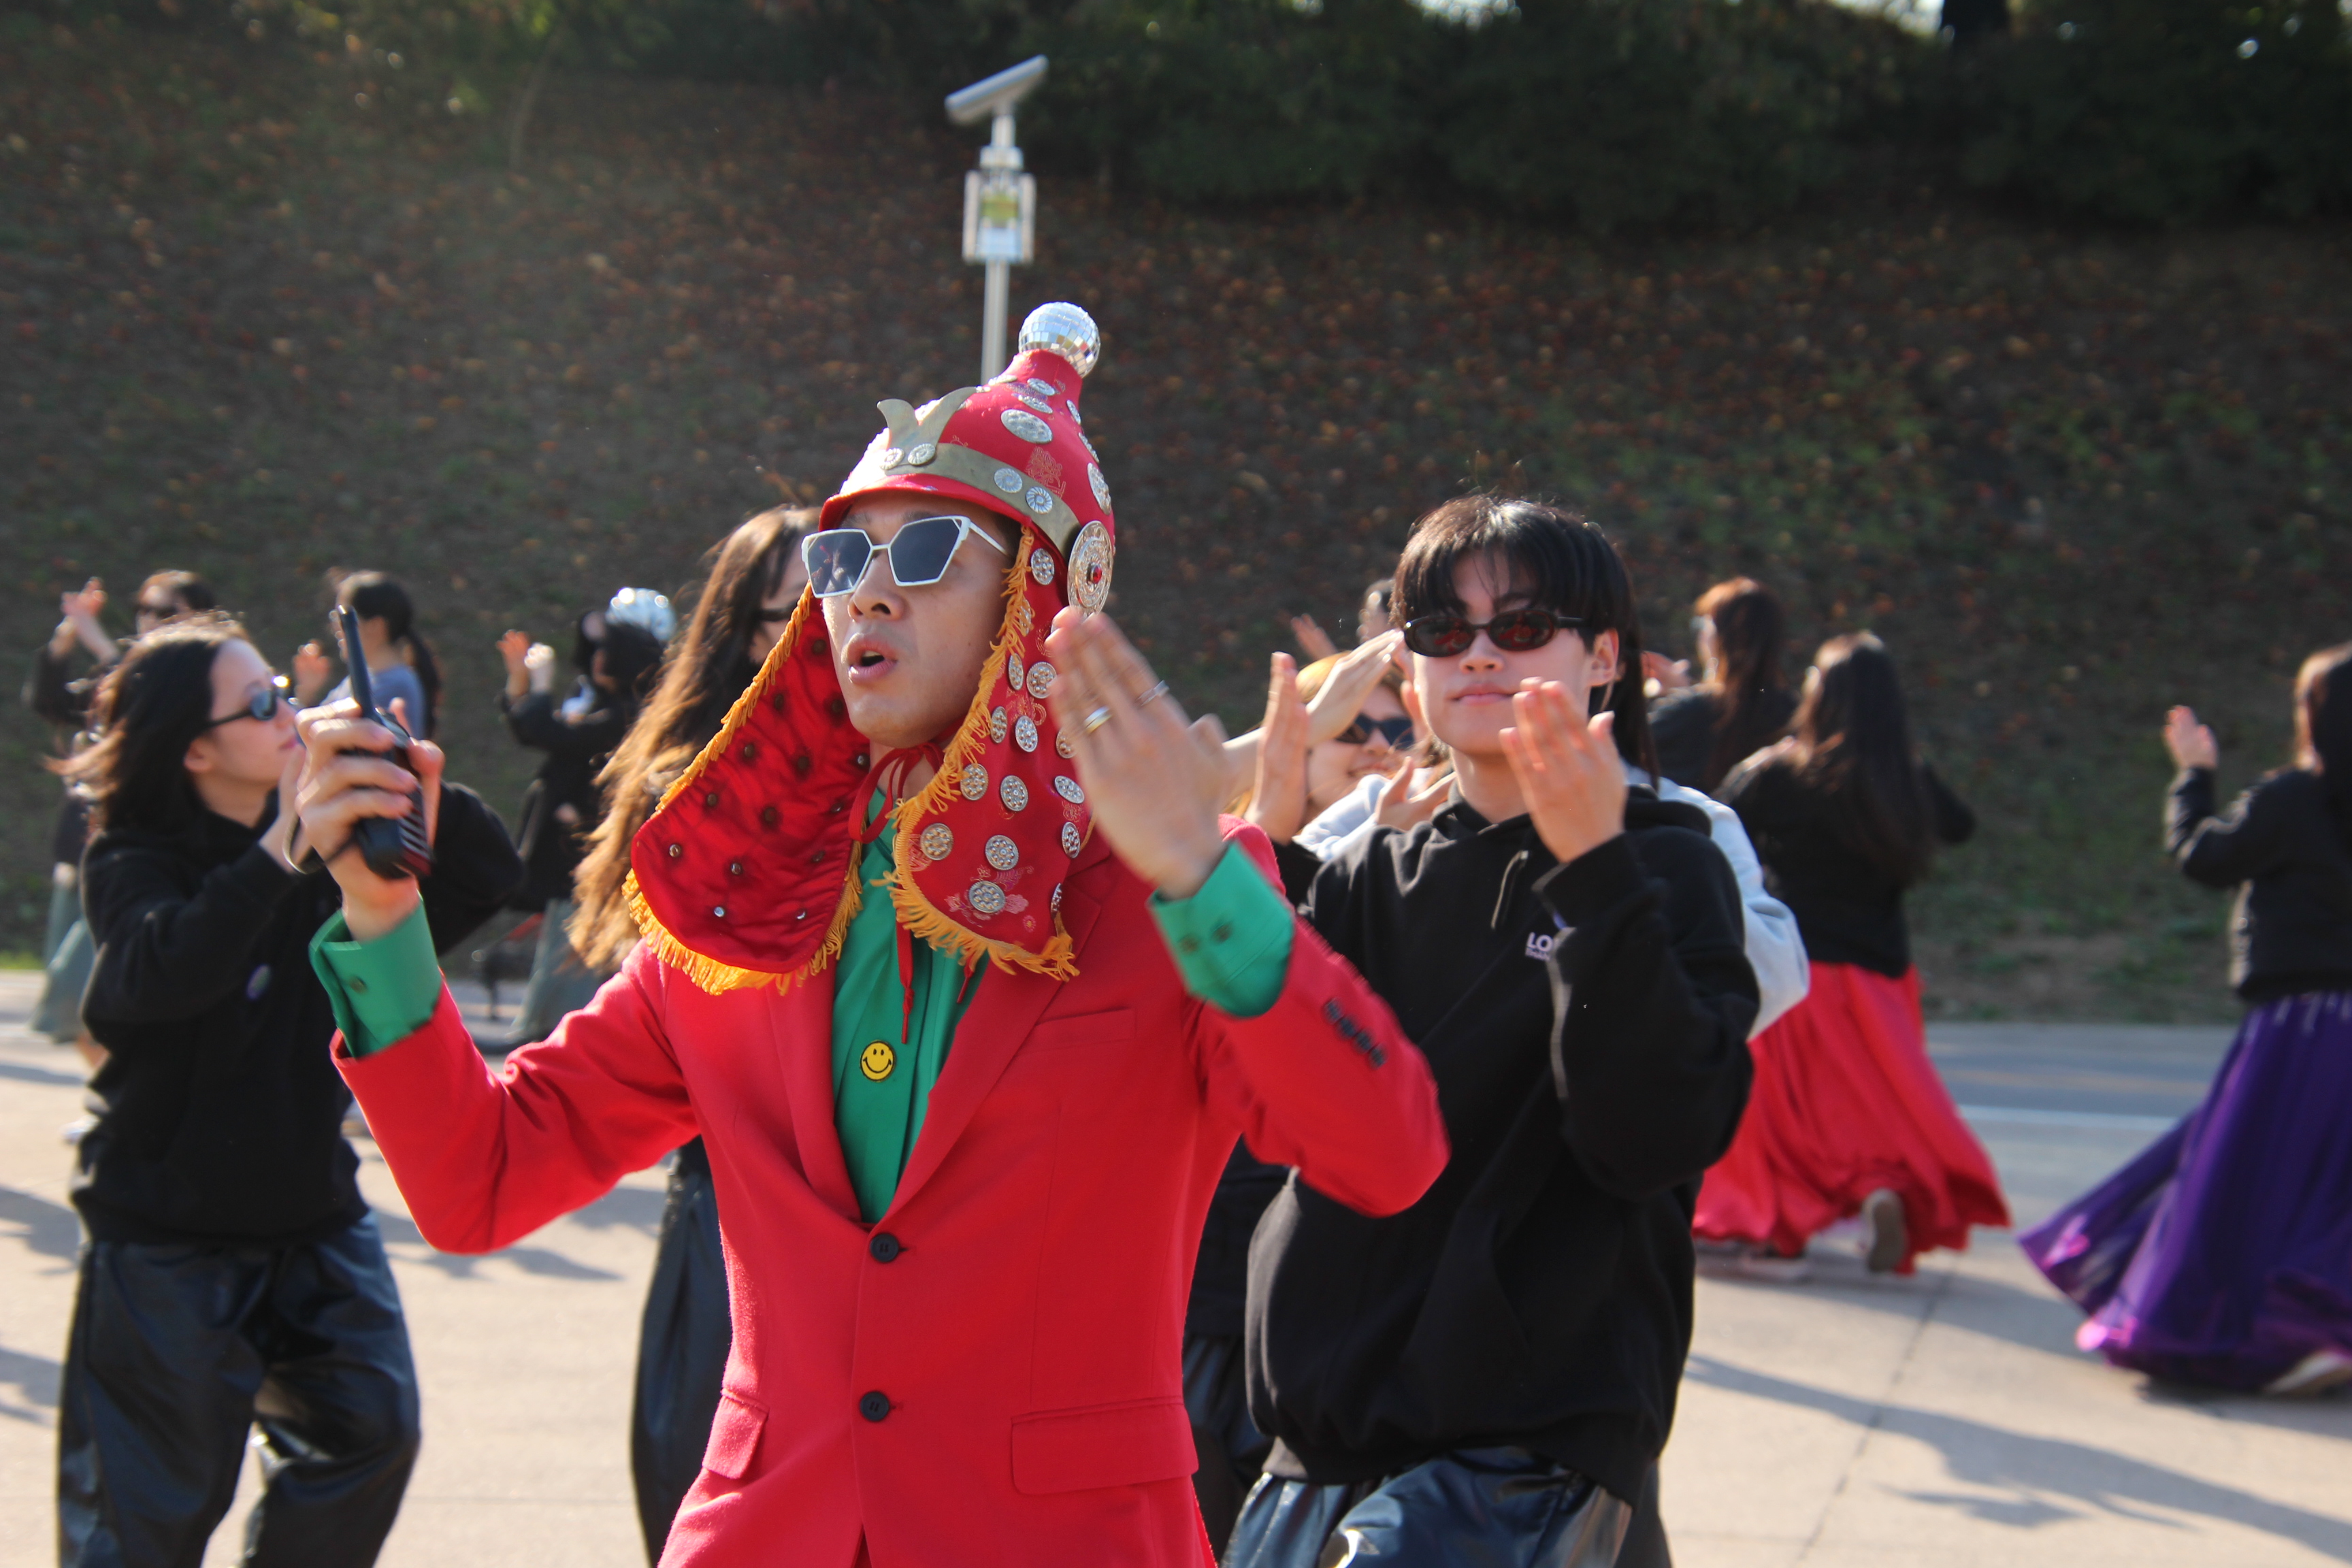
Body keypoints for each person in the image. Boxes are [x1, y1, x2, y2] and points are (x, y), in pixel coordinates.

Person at [291, 304, 1448, 1566]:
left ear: (1041, 595)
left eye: (930, 547)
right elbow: (481, 1179)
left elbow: (1386, 1156)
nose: (867, 591)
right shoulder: (746, 898)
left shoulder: (1174, 890)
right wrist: (381, 917)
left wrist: (1201, 880)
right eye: (840, 559)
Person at [1224, 495, 1759, 1568]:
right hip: (1317, 1436)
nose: (1478, 655)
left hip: (1521, 1456)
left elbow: (1650, 1136)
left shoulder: (1667, 863)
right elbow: (1256, 1117)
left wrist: (1595, 873)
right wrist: (1267, 843)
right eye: (1441, 630)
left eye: (1521, 627)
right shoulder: (1368, 876)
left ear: (1604, 658)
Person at [55, 612, 521, 1566]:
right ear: (194, 750)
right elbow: (148, 981)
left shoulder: (335, 843)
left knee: (370, 1437)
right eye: (259, 706)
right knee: (145, 1519)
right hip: (164, 1235)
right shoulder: (135, 855)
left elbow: (487, 877)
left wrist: (406, 775)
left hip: (310, 1215)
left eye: (281, 690)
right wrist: (279, 848)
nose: (289, 715)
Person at [566, 504, 815, 1563]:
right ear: (745, 635)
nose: (833, 629)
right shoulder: (692, 787)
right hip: (735, 1205)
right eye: (795, 611)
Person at [2021, 648, 2352, 1396]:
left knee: (2252, 1178)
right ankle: (2326, 1322)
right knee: (2332, 1185)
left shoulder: (2291, 799)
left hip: (2299, 1022)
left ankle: (2299, 1328)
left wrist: (2194, 775)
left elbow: (2205, 857)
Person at [1696, 633, 2006, 1278]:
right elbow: (1961, 826)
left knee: (1781, 1114)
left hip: (1799, 966)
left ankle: (1783, 1233)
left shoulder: (1784, 773)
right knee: (1865, 1104)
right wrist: (1907, 771)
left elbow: (1714, 820)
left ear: (1824, 696)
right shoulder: (1903, 779)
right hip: (1880, 976)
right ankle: (1878, 1188)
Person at [26, 572, 215, 1060]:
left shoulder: (205, 684)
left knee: (90, 990)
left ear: (200, 618)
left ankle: (122, 1092)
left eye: (165, 611)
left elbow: (150, 707)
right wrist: (67, 637)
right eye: (144, 609)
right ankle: (110, 1092)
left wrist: (101, 645)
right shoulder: (123, 674)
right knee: (70, 994)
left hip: (144, 859)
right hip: (87, 849)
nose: (149, 620)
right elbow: (51, 702)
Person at [497, 588, 676, 1047]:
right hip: (574, 853)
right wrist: (521, 682)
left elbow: (554, 734)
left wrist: (538, 686)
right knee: (567, 942)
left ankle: (553, 1038)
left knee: (580, 950)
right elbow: (539, 732)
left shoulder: (627, 715)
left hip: (593, 853)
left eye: (608, 651)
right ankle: (544, 1034)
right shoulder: (598, 699)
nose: (597, 659)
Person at [1644, 576, 1796, 795]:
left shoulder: (1687, 713)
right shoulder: (1795, 714)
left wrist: (1668, 699)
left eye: (1703, 626)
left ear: (1717, 636)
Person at [316, 572, 440, 738]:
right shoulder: (360, 680)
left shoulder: (394, 685)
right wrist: (306, 691)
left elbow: (315, 738)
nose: (336, 628)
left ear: (375, 626)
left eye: (343, 619)